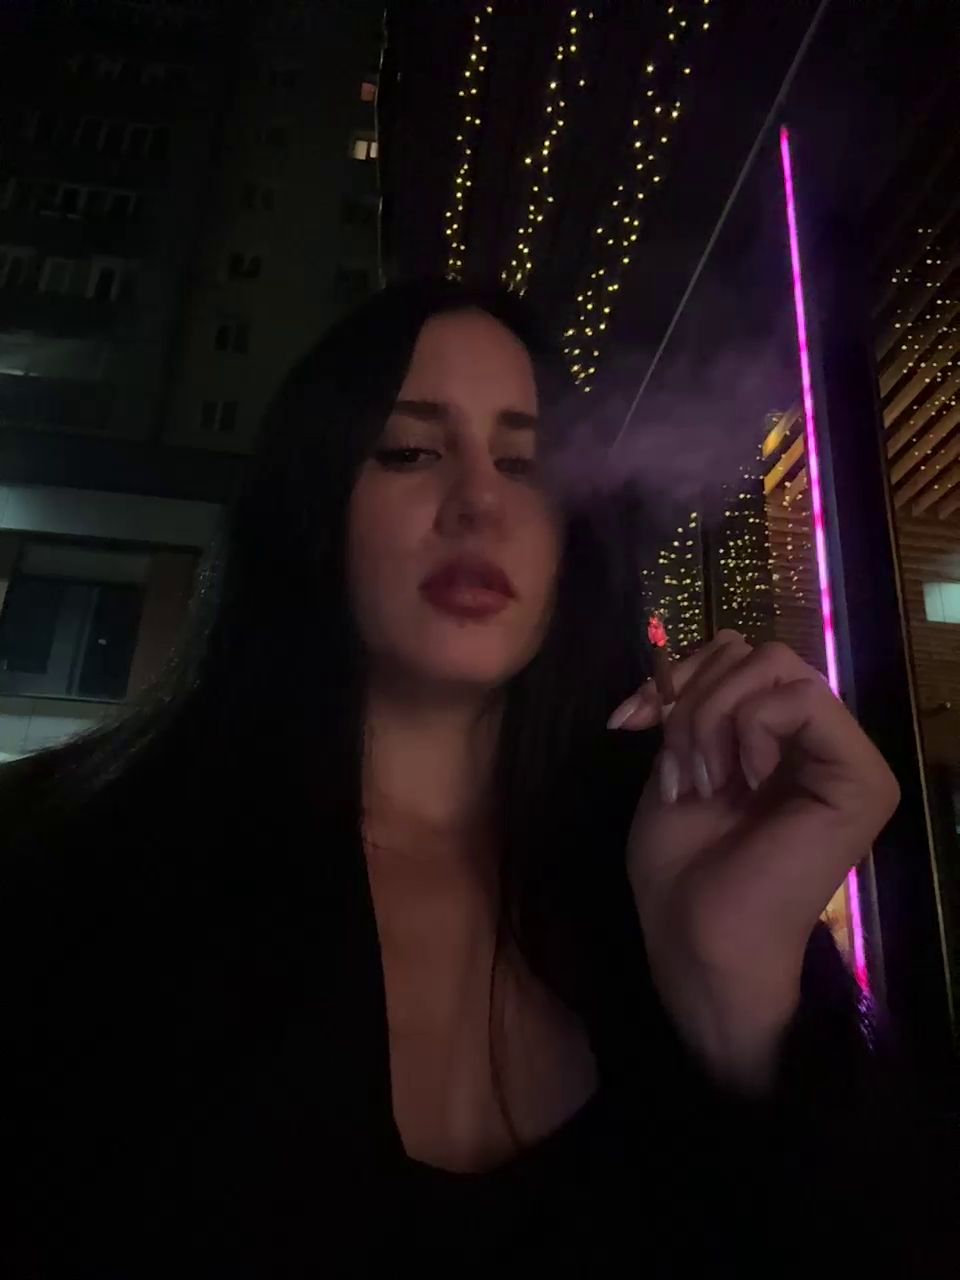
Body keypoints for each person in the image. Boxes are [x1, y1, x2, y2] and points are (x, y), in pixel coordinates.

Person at [0, 280, 952, 1276]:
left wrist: (741, 999)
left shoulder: (659, 864)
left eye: (527, 464)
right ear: (313, 501)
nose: (480, 503)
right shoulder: (69, 863)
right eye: (410, 451)